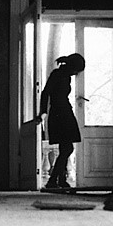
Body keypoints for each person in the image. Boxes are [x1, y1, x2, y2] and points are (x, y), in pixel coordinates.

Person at [35, 53, 85, 189]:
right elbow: (45, 93)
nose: (76, 74)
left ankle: (61, 180)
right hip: (60, 113)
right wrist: (43, 112)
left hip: (64, 111)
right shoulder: (57, 74)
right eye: (77, 70)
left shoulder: (65, 76)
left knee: (65, 148)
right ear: (73, 67)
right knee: (67, 148)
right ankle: (53, 181)